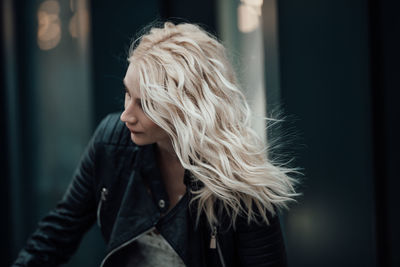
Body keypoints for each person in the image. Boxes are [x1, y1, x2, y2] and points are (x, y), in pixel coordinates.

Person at [12, 21, 298, 267]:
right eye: (127, 94)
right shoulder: (111, 141)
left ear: (187, 109)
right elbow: (60, 231)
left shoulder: (239, 181)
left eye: (146, 104)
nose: (126, 115)